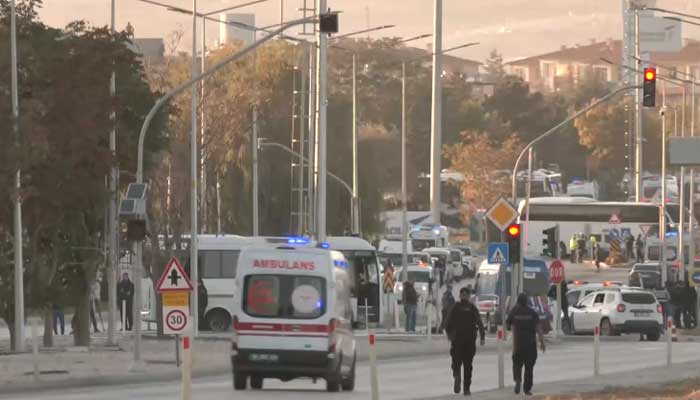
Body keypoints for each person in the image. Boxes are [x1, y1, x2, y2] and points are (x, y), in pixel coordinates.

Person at [445, 287, 485, 396]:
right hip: (469, 342)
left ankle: (457, 375)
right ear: (468, 296)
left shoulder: (455, 307)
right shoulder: (472, 308)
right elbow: (480, 323)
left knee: (456, 362)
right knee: (468, 366)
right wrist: (482, 337)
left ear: (460, 296)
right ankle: (466, 389)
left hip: (457, 340)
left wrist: (450, 335)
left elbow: (447, 323)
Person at [507, 293, 546, 396]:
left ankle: (518, 379)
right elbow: (538, 328)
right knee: (529, 368)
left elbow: (508, 324)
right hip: (531, 344)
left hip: (518, 343)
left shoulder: (514, 311)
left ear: (518, 302)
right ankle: (527, 389)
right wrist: (542, 342)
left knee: (516, 364)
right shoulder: (532, 312)